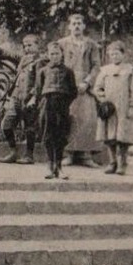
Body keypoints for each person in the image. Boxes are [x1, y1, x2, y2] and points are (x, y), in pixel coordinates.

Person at [58, 12, 102, 167]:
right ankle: (68, 154)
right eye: (73, 23)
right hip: (67, 87)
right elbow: (57, 64)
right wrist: (67, 83)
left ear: (84, 26)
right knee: (70, 119)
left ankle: (86, 155)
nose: (76, 26)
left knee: (88, 119)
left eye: (79, 23)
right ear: (69, 26)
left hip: (85, 88)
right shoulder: (62, 44)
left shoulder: (91, 44)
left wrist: (87, 83)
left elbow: (97, 66)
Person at [93, 39, 133, 175]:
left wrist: (132, 106)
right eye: (111, 54)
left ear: (123, 54)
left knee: (122, 138)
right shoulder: (105, 70)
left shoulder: (129, 70)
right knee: (109, 137)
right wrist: (103, 100)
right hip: (109, 109)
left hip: (123, 107)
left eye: (117, 54)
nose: (114, 56)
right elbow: (97, 88)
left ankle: (122, 164)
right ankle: (112, 162)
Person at [0, 33, 46, 165]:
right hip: (16, 96)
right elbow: (10, 56)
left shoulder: (40, 61)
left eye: (30, 45)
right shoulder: (23, 59)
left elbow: (39, 82)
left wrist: (34, 97)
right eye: (25, 46)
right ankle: (13, 152)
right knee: (6, 124)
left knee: (29, 127)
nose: (27, 48)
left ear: (38, 46)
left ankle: (29, 155)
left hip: (29, 98)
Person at [34, 41, 78, 179]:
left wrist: (64, 103)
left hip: (62, 106)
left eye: (57, 53)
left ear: (62, 54)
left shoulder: (68, 71)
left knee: (60, 135)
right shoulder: (43, 71)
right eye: (52, 53)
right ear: (48, 55)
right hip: (47, 104)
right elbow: (38, 90)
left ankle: (59, 166)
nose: (54, 56)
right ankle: (50, 166)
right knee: (48, 135)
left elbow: (73, 91)